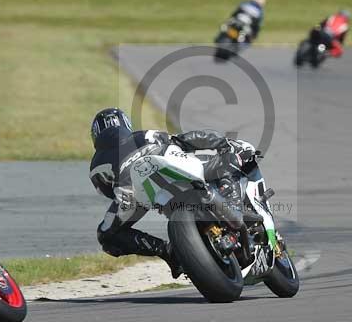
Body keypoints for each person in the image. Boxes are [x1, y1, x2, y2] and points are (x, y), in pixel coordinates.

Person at [89, 108, 255, 279]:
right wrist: (223, 143)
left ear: (95, 135)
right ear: (125, 123)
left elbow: (107, 191)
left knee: (106, 235)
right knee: (229, 158)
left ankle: (168, 252)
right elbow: (183, 140)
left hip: (133, 190)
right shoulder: (143, 135)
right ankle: (233, 206)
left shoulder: (96, 165)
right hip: (170, 163)